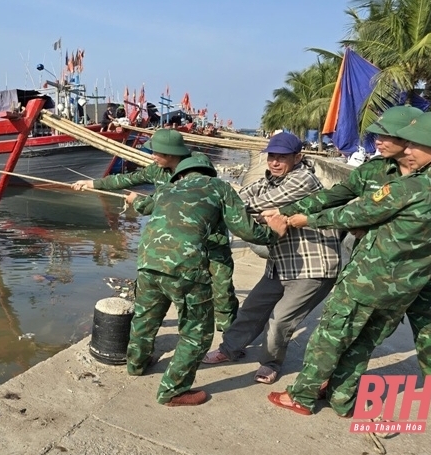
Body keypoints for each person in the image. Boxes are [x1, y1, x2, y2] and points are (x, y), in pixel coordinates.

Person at [267, 111, 431, 442]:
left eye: (406, 141)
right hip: (408, 280)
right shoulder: (382, 172)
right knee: (365, 339)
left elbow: (355, 212)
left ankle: (302, 395)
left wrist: (300, 219)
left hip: (379, 276)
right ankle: (343, 396)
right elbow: (339, 196)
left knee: (334, 335)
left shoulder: (412, 186)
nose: (379, 142)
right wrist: (289, 210)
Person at [126, 156, 288, 406]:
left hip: (148, 263)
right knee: (197, 332)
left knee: (145, 318)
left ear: (180, 175)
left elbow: (143, 206)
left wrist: (133, 200)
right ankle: (173, 391)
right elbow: (245, 230)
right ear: (208, 173)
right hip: (185, 268)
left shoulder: (166, 189)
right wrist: (274, 233)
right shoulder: (220, 187)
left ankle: (136, 364)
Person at [201, 132, 342, 385]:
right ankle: (229, 349)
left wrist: (252, 211)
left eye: (282, 157)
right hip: (281, 263)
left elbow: (256, 205)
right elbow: (238, 201)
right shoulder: (267, 180)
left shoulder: (304, 179)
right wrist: (253, 212)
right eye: (272, 157)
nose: (275, 162)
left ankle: (270, 362)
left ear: (298, 157)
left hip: (313, 267)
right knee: (252, 309)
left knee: (280, 321)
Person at [72, 129, 240, 332]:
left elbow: (170, 204)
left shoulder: (198, 167)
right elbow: (127, 179)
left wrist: (140, 202)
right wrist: (91, 183)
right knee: (182, 289)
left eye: (156, 152)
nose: (152, 156)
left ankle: (228, 334)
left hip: (210, 238)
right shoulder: (156, 170)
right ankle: (192, 327)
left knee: (221, 287)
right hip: (177, 242)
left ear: (170, 153)